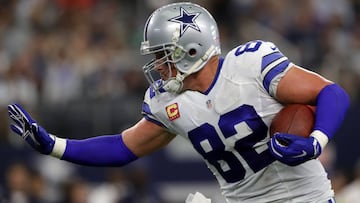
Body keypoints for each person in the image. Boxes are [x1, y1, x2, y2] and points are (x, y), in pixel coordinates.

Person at [7, 2, 350, 203]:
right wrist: (55, 145)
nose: (157, 65)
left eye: (162, 55)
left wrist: (315, 142)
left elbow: (332, 93)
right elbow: (122, 148)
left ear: (191, 50)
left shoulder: (250, 66)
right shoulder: (168, 102)